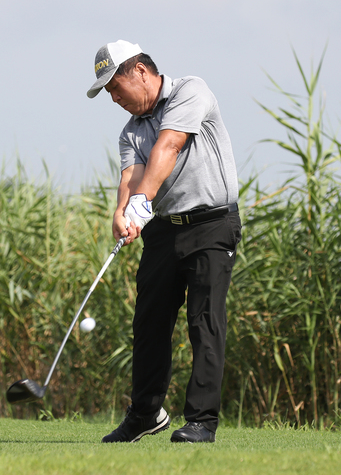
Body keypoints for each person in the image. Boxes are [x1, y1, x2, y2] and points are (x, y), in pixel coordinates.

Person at [87, 40, 241, 443]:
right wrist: (123, 212)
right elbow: (132, 176)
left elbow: (170, 144)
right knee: (149, 323)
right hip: (163, 230)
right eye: (108, 93)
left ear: (140, 71)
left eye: (115, 87)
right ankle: (145, 414)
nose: (114, 98)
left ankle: (201, 421)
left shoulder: (191, 90)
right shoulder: (131, 131)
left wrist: (142, 201)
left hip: (212, 224)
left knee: (204, 321)